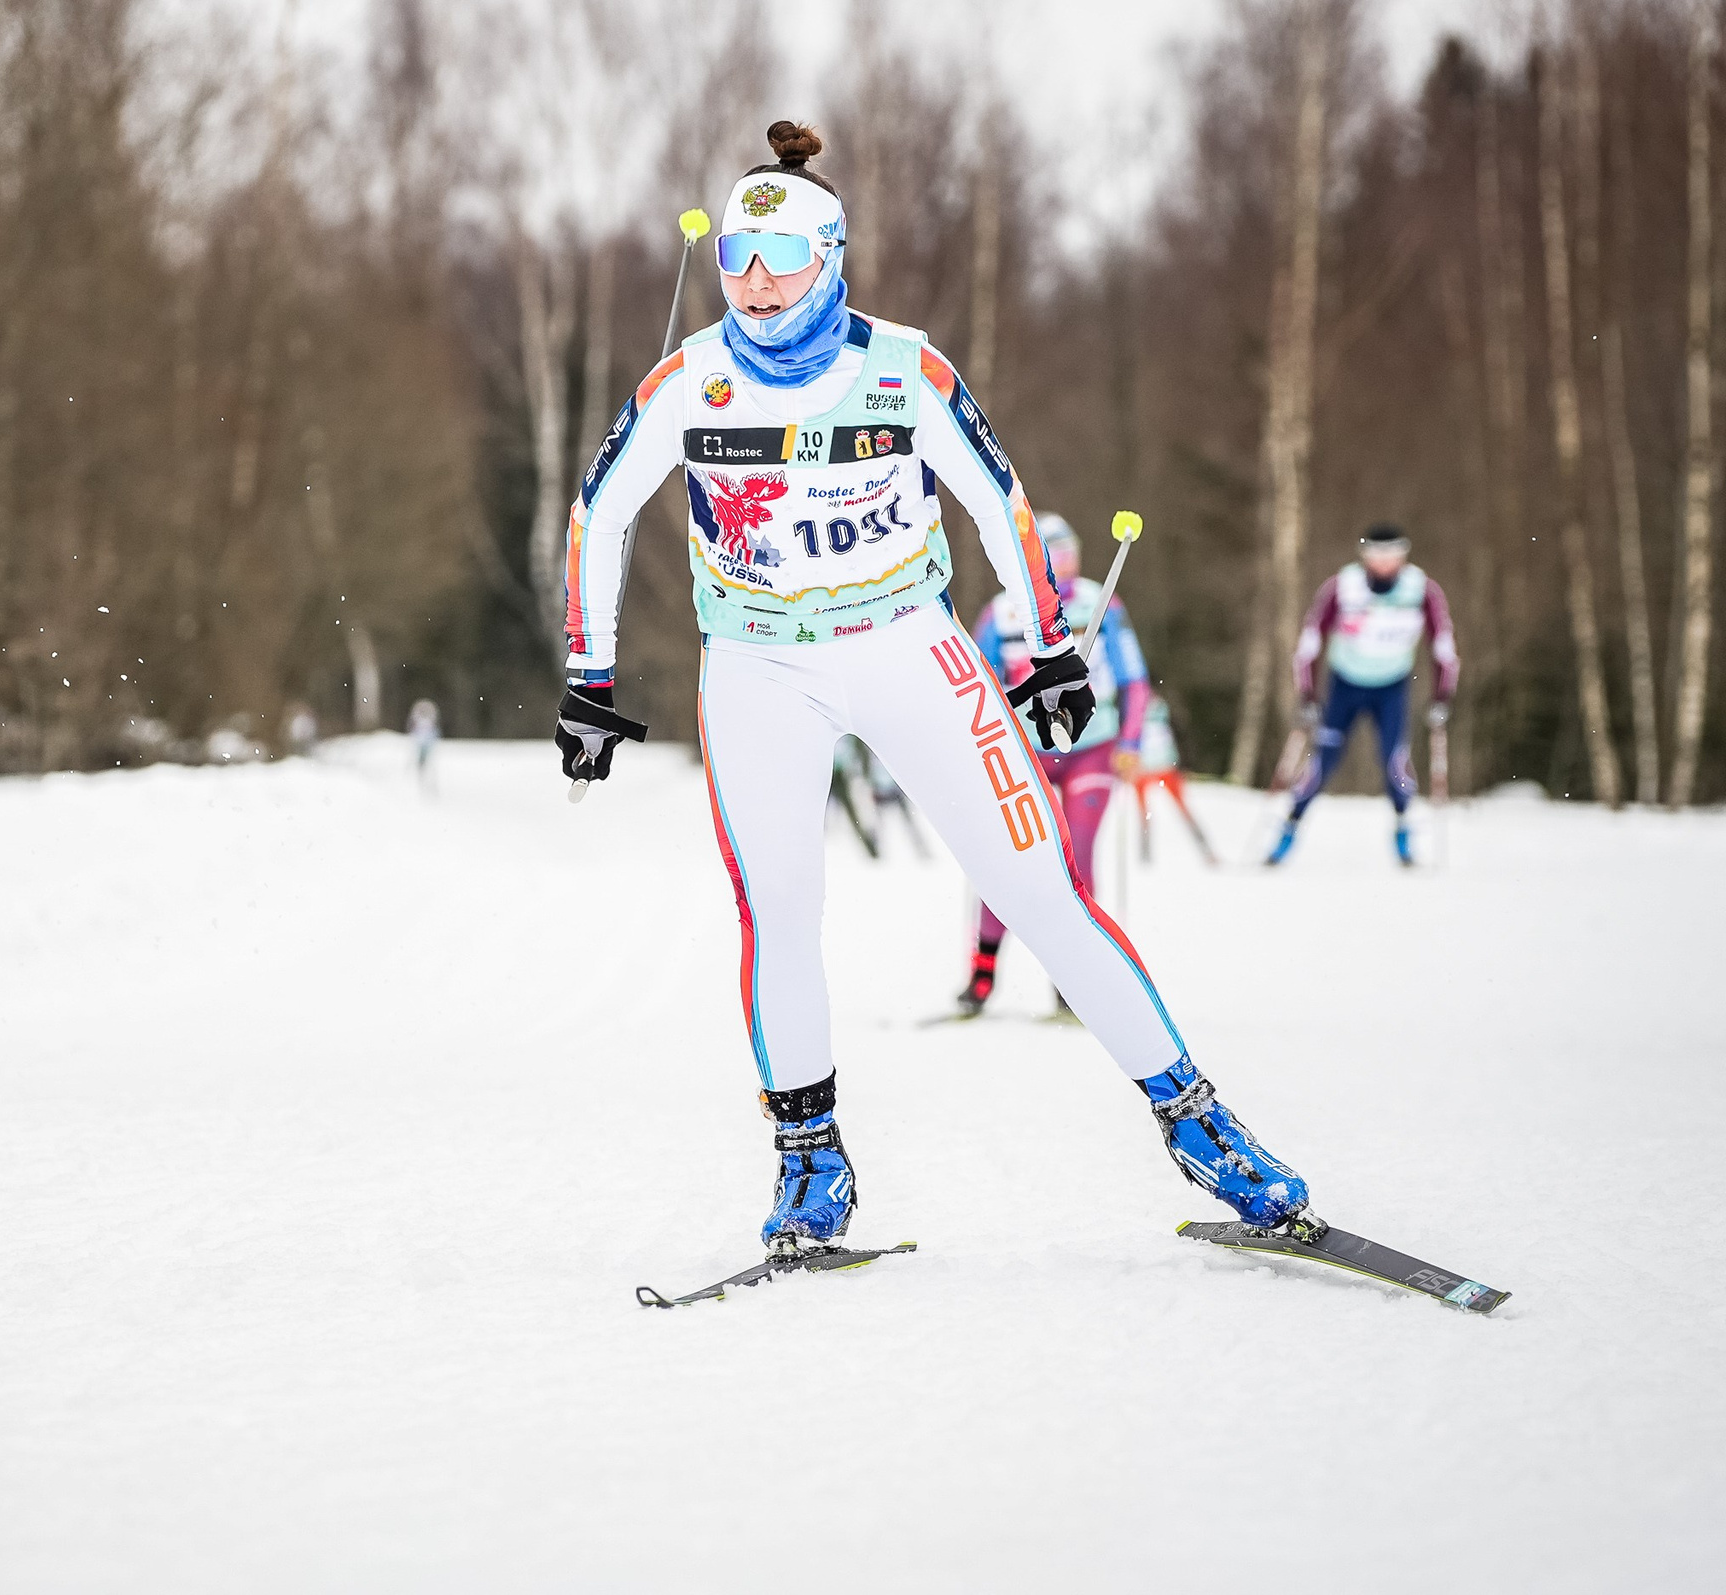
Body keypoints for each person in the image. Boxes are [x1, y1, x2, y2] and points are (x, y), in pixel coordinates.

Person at [555, 122, 1317, 1254]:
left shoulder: (905, 368)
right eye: (736, 260)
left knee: (1041, 889)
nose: (756, 283)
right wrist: (590, 676)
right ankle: (809, 1161)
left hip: (907, 644)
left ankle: (1202, 1127)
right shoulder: (688, 381)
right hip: (758, 665)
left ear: (831, 257)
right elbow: (598, 512)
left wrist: (1051, 649)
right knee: (778, 911)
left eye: (783, 258)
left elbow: (1001, 503)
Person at [952, 513, 1148, 1019]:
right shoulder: (1002, 613)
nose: (1064, 566)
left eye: (1068, 554)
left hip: (1092, 747)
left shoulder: (1101, 603)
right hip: (1026, 751)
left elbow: (1134, 679)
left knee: (1076, 858)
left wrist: (1131, 739)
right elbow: (977, 687)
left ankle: (1073, 980)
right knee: (1009, 859)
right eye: (1053, 556)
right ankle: (982, 972)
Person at [1266, 524, 1458, 867]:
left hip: (1392, 687)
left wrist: (1442, 695)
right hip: (1345, 686)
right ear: (1364, 556)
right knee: (1321, 763)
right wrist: (1307, 694)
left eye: (1392, 555)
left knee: (1395, 762)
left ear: (1403, 555)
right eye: (1376, 555)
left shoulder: (1422, 590)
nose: (1383, 563)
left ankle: (1403, 833)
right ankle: (1288, 830)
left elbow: (1442, 644)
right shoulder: (1343, 586)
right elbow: (1310, 640)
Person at [1129, 696, 1218, 865]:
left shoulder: (1159, 708)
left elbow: (1180, 735)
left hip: (1165, 767)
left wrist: (1185, 764)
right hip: (1144, 769)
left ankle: (1206, 851)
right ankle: (1144, 858)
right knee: (1145, 814)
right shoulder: (1133, 707)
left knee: (1182, 810)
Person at [407, 697, 441, 790]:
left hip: (427, 742)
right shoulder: (419, 720)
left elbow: (434, 730)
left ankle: (427, 778)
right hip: (421, 742)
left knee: (427, 760)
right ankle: (421, 776)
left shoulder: (429, 721)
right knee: (421, 760)